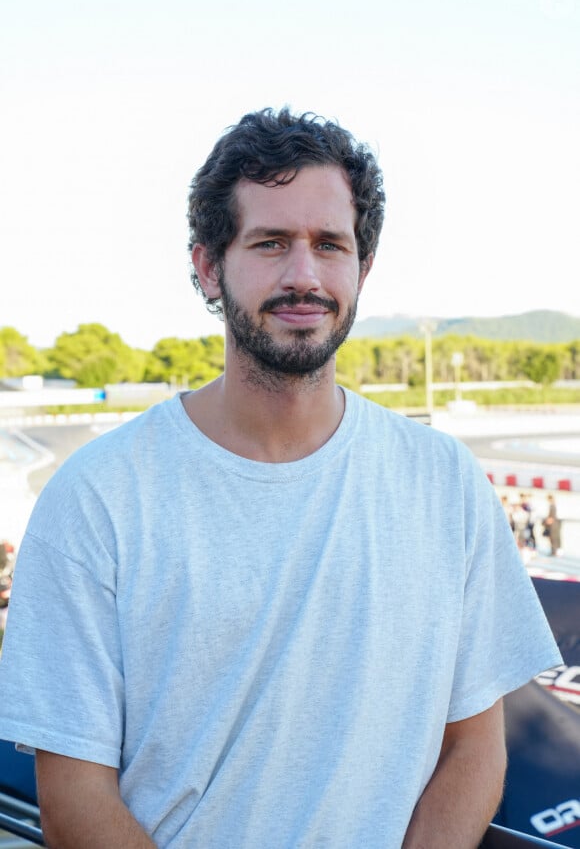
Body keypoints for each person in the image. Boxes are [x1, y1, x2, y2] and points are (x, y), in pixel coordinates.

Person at [0, 108, 561, 849]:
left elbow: (474, 750)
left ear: (362, 268)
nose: (304, 275)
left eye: (330, 245)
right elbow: (74, 797)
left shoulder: (444, 483)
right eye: (269, 244)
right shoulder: (98, 497)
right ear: (207, 265)